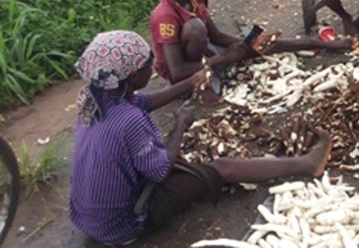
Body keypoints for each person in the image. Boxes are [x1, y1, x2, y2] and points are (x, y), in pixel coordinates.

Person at [69, 30, 332, 246]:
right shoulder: (129, 121)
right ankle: (308, 163)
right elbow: (160, 171)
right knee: (221, 167)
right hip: (125, 223)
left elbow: (143, 101)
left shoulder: (95, 100)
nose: (151, 64)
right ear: (132, 76)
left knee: (171, 159)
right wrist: (180, 125)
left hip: (86, 219)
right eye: (147, 62)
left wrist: (189, 83)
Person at [150, 0, 355, 86]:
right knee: (195, 27)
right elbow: (176, 72)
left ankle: (330, 44)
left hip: (209, 55)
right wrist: (222, 58)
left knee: (266, 44)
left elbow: (216, 35)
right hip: (185, 71)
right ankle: (204, 83)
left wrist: (252, 41)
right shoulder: (165, 17)